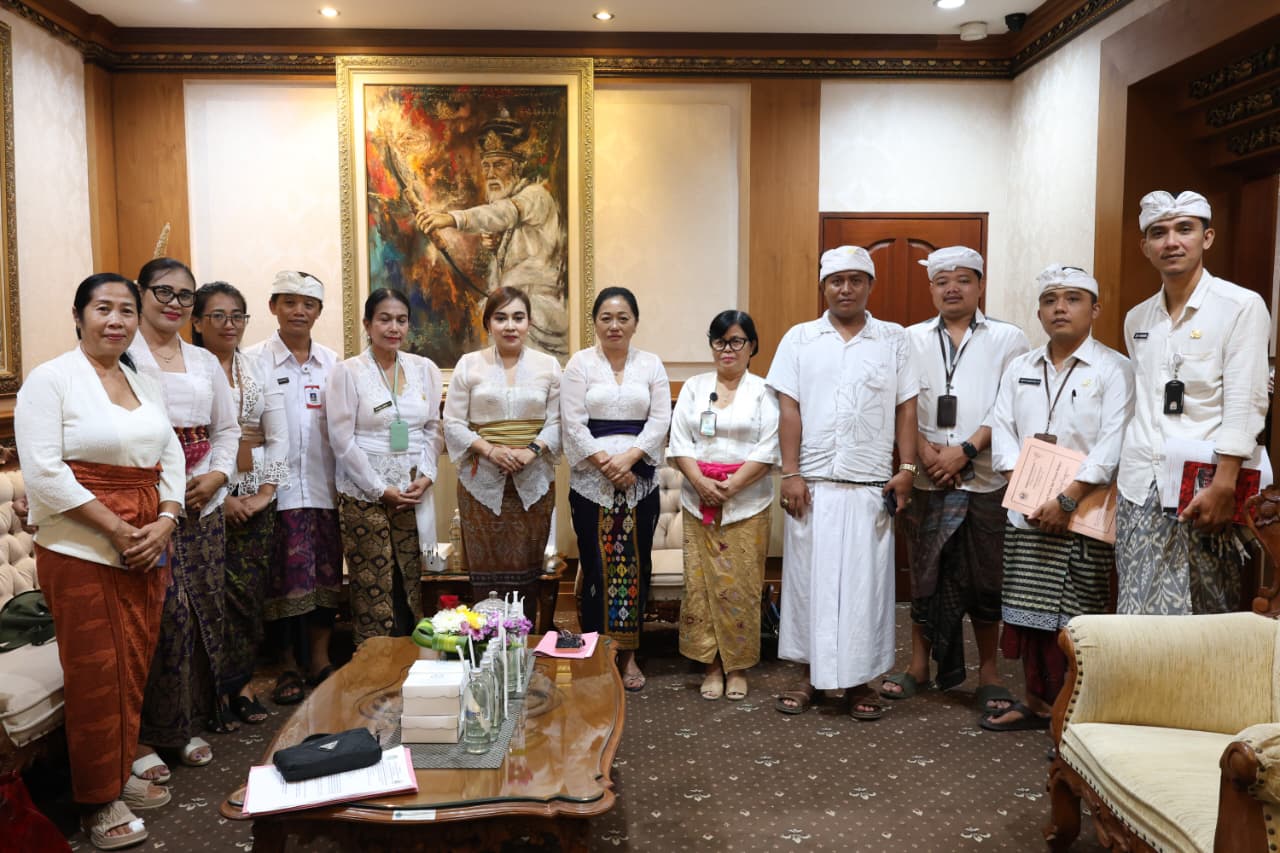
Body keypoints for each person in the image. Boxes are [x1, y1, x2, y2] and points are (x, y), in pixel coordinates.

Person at [15, 274, 184, 849]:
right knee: (96, 675)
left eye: (127, 310)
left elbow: (172, 454)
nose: (116, 320)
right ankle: (97, 800)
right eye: (103, 309)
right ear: (79, 315)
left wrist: (165, 521)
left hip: (147, 546)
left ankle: (116, 771)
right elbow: (41, 469)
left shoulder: (143, 381)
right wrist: (117, 528)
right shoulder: (51, 379)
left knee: (134, 666)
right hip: (80, 547)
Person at [767, 246, 918, 720]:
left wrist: (907, 469)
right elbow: (788, 408)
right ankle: (809, 677)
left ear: (870, 285)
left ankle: (859, 682)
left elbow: (907, 408)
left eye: (856, 280)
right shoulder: (800, 339)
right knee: (809, 584)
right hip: (812, 483)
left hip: (871, 485)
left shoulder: (893, 340)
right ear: (823, 286)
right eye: (836, 280)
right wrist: (790, 472)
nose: (846, 288)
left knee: (865, 588)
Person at [984, 265, 1134, 731]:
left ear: (1095, 309)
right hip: (1027, 509)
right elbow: (1002, 427)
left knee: (1076, 617)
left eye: (1072, 299)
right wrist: (1024, 488)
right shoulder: (1020, 366)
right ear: (1039, 312)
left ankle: (1077, 711)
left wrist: (1066, 499)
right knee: (1028, 619)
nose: (1060, 308)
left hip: (1084, 512)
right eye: (1050, 300)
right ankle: (1036, 703)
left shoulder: (1114, 368)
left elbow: (1113, 442)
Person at [882, 246, 1029, 716]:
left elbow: (1010, 405)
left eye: (963, 279)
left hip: (985, 478)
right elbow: (900, 403)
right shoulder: (908, 338)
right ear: (931, 288)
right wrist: (925, 452)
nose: (952, 288)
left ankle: (988, 673)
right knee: (925, 576)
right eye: (942, 280)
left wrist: (966, 450)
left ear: (980, 285)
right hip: (927, 479)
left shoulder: (1009, 338)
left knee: (987, 579)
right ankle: (919, 666)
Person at [1116, 190, 1270, 614]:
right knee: (1137, 616)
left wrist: (1224, 483)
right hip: (1139, 486)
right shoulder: (1138, 318)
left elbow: (1247, 400)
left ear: (1207, 237)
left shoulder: (1240, 306)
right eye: (1158, 233)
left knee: (1200, 619)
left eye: (1185, 229)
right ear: (1145, 246)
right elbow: (1143, 403)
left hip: (1202, 489)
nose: (1171, 242)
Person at [128, 257, 241, 778]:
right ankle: (148, 735)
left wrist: (218, 477)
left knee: (203, 615)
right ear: (140, 293)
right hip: (147, 506)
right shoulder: (120, 355)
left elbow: (227, 430)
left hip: (205, 502)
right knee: (161, 617)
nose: (174, 304)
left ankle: (190, 720)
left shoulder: (201, 361)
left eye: (184, 296)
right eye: (163, 292)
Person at [561, 287, 671, 692]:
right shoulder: (579, 364)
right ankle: (598, 652)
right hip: (592, 483)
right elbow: (572, 423)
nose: (614, 325)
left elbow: (660, 420)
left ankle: (629, 656)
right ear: (595, 322)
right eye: (606, 317)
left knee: (637, 567)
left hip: (640, 480)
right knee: (596, 569)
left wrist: (629, 460)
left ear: (635, 322)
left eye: (623, 317)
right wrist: (606, 464)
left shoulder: (652, 364)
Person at [242, 271, 343, 704]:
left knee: (324, 576)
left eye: (308, 304)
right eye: (289, 302)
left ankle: (319, 660)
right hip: (272, 492)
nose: (299, 311)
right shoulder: (251, 361)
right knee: (279, 583)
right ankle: (285, 666)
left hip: (324, 487)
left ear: (319, 312)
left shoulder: (334, 363)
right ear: (272, 307)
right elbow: (241, 428)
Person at [668, 310, 779, 702]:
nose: (727, 349)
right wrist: (701, 483)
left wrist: (730, 487)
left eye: (736, 341)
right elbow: (680, 441)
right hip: (699, 502)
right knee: (700, 587)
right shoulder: (696, 388)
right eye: (719, 341)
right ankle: (710, 665)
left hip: (747, 503)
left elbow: (769, 447)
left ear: (752, 347)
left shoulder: (766, 390)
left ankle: (738, 667)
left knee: (742, 588)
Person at [192, 282, 288, 725]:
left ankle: (243, 682)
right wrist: (223, 495)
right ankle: (213, 693)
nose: (230, 325)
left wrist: (267, 492)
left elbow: (279, 432)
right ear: (196, 322)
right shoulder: (188, 369)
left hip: (258, 495)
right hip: (206, 498)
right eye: (218, 316)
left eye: (238, 316)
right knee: (212, 599)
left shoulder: (256, 368)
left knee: (250, 598)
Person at [328, 288, 444, 644]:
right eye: (384, 319)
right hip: (365, 493)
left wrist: (426, 476)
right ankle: (373, 666)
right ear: (367, 324)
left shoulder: (424, 368)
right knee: (373, 583)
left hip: (411, 490)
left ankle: (413, 658)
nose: (393, 327)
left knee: (412, 577)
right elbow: (342, 439)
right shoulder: (347, 372)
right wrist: (379, 489)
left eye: (401, 320)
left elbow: (432, 427)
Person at [443, 286, 560, 617]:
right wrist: (491, 451)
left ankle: (527, 641)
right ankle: (486, 639)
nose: (510, 326)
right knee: (485, 570)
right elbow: (452, 423)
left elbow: (559, 421)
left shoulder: (549, 366)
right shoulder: (469, 365)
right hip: (480, 484)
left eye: (518, 318)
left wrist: (532, 450)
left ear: (529, 322)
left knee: (529, 567)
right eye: (501, 318)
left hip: (533, 478)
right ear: (488, 323)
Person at [415, 111, 568, 357]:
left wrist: (451, 218)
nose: (490, 173)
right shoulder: (510, 206)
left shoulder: (536, 196)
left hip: (538, 318)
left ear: (517, 167)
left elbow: (502, 213)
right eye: (486, 165)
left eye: (499, 164)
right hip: (507, 318)